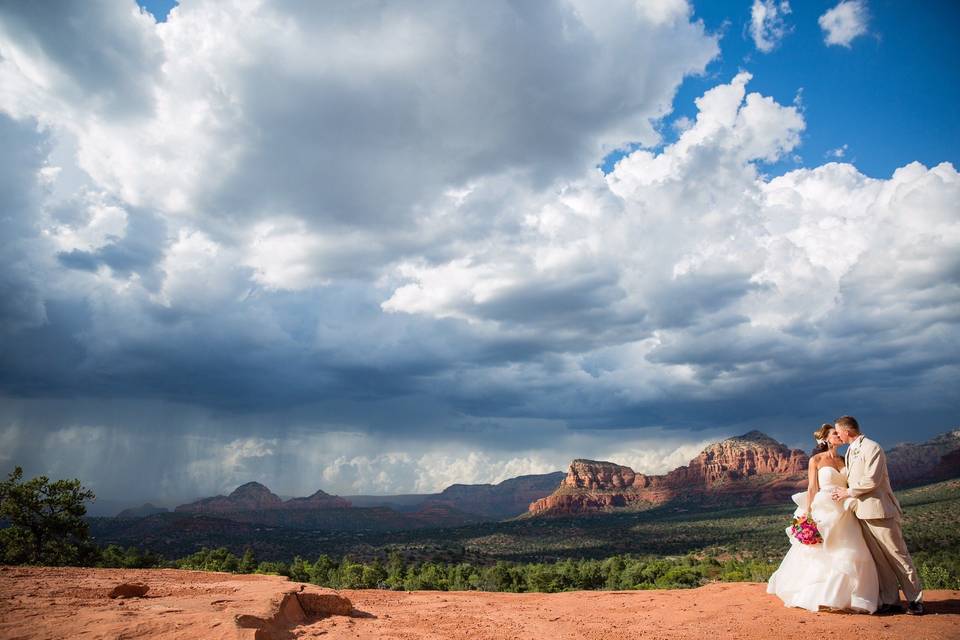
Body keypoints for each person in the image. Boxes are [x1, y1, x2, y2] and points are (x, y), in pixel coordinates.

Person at [767, 423, 879, 613]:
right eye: (835, 434)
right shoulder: (816, 460)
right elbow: (812, 488)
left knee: (849, 549)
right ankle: (820, 595)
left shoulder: (846, 459)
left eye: (838, 433)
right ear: (826, 439)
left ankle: (850, 597)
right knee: (821, 551)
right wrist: (808, 513)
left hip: (844, 509)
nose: (838, 436)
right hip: (823, 508)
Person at [831, 415, 924, 615]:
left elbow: (871, 481)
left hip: (880, 511)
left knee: (898, 555)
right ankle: (892, 601)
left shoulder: (872, 448)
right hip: (862, 512)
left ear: (847, 431)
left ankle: (915, 600)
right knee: (880, 559)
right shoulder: (850, 451)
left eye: (838, 431)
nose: (837, 435)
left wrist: (847, 492)